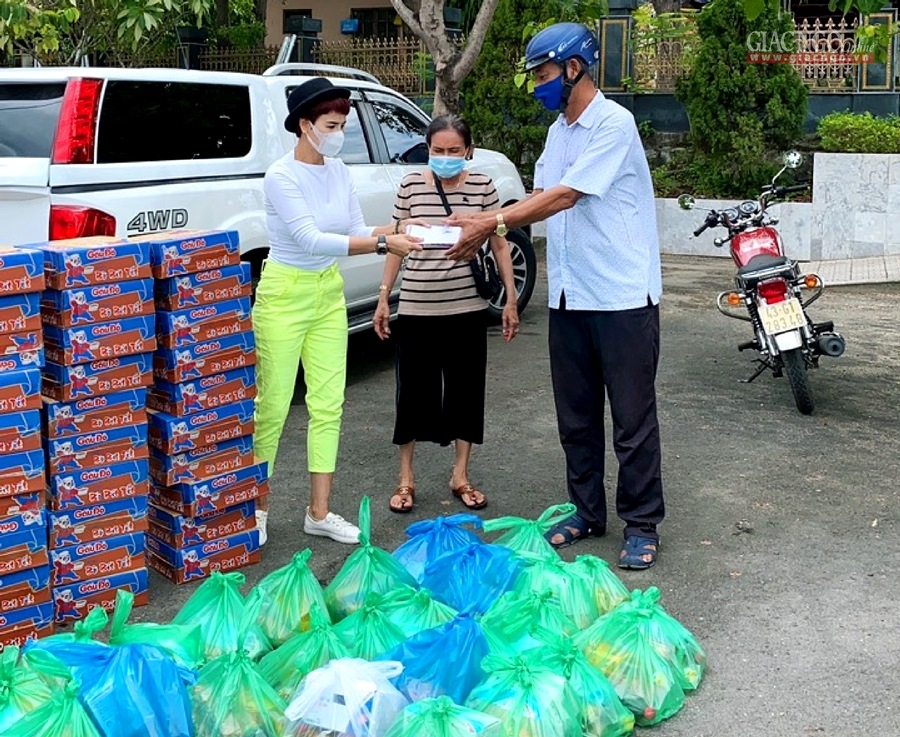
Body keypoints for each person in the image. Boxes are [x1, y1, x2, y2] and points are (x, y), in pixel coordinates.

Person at [445, 23, 665, 569]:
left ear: (574, 68)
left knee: (632, 420)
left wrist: (491, 220)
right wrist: (486, 223)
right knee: (577, 417)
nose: (538, 86)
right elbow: (541, 195)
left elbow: (566, 196)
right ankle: (587, 512)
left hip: (620, 296)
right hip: (571, 296)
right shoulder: (557, 133)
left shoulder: (614, 124)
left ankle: (641, 523)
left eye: (543, 75)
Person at [253, 77, 423, 546]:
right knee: (272, 406)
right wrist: (386, 240)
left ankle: (319, 511)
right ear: (304, 125)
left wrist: (405, 225)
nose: (338, 133)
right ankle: (257, 507)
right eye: (331, 124)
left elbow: (353, 228)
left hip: (328, 291)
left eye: (342, 124)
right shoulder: (281, 176)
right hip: (285, 292)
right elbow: (310, 238)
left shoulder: (339, 171)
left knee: (329, 404)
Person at [373, 115, 519, 515]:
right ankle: (406, 479)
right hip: (418, 306)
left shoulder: (484, 187)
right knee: (412, 395)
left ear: (468, 151)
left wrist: (508, 298)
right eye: (438, 151)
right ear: (428, 149)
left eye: (454, 151)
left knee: (466, 393)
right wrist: (385, 297)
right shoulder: (410, 185)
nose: (446, 158)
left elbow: (500, 244)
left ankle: (461, 476)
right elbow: (398, 245)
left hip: (468, 308)